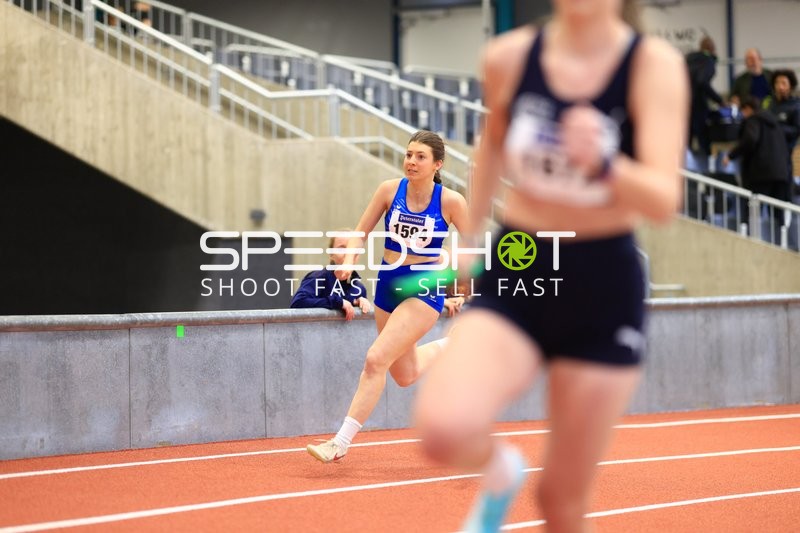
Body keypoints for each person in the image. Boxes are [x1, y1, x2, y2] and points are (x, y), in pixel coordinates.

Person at [413, 0, 688, 531]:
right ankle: (499, 471)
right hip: (521, 262)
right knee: (444, 427)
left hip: (602, 283)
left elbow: (663, 200)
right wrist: (469, 237)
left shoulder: (653, 65)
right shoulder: (509, 56)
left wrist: (604, 163)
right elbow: (492, 146)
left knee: (561, 501)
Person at [306, 130, 468, 463]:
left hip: (422, 288)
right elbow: (359, 233)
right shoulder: (389, 190)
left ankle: (340, 442)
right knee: (404, 374)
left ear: (437, 164)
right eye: (409, 154)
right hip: (387, 284)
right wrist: (348, 262)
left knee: (375, 359)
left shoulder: (451, 201)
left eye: (420, 157)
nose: (411, 161)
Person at [724, 96, 790, 241]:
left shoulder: (753, 121)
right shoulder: (775, 124)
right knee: (778, 214)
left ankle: (750, 241)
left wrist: (731, 155)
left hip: (761, 173)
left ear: (748, 109)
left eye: (743, 111)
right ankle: (782, 243)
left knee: (753, 210)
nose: (742, 115)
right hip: (781, 173)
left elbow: (750, 139)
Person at [290, 233, 372, 320]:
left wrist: (360, 306)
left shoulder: (359, 288)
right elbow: (297, 303)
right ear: (331, 254)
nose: (347, 253)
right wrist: (337, 302)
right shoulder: (318, 278)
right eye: (341, 248)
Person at [686, 36, 724, 156]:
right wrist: (719, 100)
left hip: (683, 104)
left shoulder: (688, 59)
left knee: (686, 140)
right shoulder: (708, 61)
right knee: (703, 140)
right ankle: (706, 164)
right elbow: (702, 81)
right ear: (712, 49)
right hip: (698, 105)